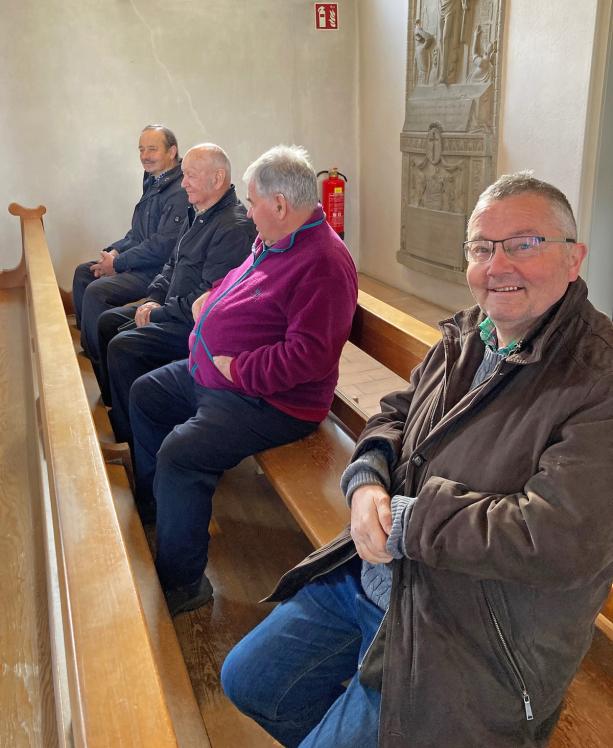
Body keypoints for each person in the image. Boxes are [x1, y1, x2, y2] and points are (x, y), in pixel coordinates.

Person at [221, 172, 613, 747]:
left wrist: (404, 518)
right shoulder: (472, 332)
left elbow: (556, 537)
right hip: (381, 574)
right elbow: (396, 412)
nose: (498, 265)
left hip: (471, 625)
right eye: (482, 247)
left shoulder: (597, 378)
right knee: (250, 682)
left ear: (574, 258)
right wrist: (365, 481)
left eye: (525, 243)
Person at [128, 144, 358, 616]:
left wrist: (239, 369)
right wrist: (211, 298)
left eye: (252, 203)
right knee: (147, 393)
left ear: (280, 205)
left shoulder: (324, 263)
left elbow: (310, 357)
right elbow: (242, 280)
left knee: (181, 454)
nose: (248, 212)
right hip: (219, 377)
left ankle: (183, 584)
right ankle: (158, 507)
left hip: (273, 400)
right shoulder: (274, 239)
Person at [96, 143, 255, 445]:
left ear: (217, 178)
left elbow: (207, 300)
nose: (183, 184)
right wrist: (153, 298)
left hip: (195, 327)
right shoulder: (199, 212)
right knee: (108, 323)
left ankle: (132, 438)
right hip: (170, 309)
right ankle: (120, 416)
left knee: (123, 345)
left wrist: (157, 313)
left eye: (191, 176)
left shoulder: (233, 227)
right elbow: (172, 263)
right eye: (183, 175)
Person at [72, 125, 188, 361]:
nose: (145, 156)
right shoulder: (154, 180)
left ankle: (98, 361)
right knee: (84, 272)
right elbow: (138, 233)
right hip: (139, 261)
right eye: (141, 149)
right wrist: (114, 252)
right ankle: (88, 347)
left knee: (97, 291)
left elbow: (161, 246)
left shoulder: (179, 190)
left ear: (172, 151)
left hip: (156, 271)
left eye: (152, 149)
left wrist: (118, 263)